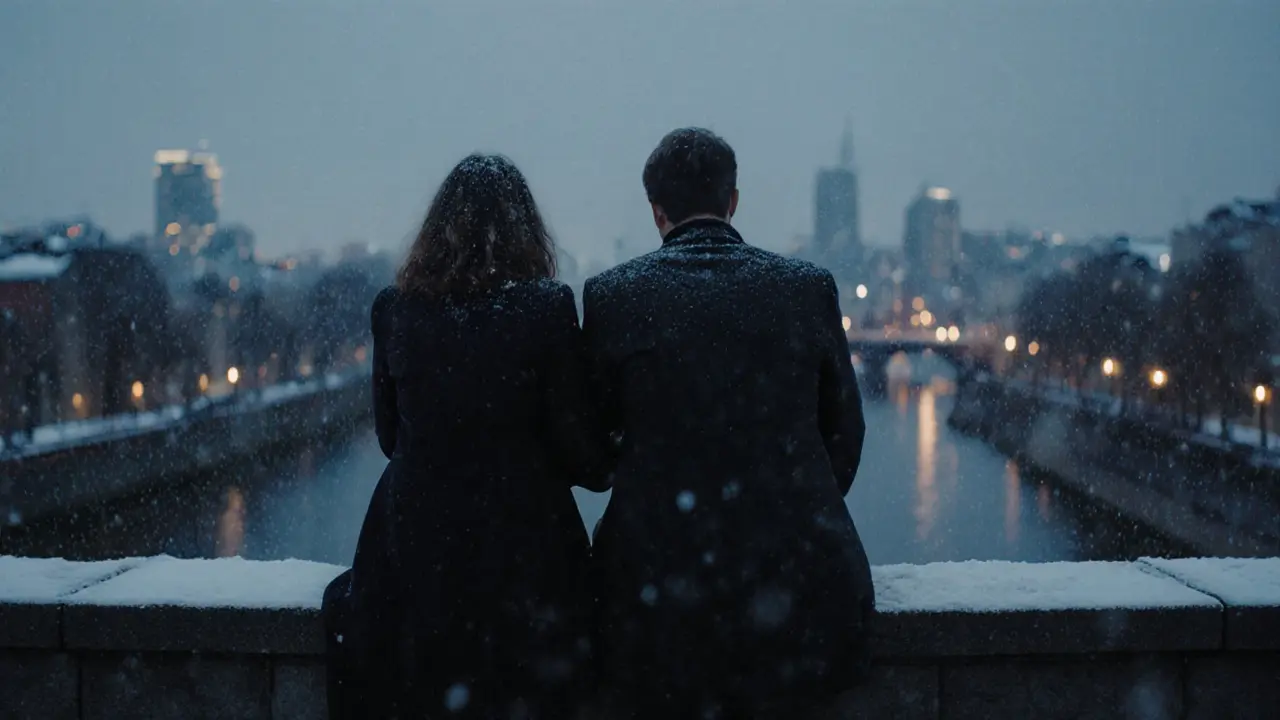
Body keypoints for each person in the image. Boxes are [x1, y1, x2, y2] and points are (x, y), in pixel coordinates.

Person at [583, 128, 875, 718]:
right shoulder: (805, 289)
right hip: (798, 595)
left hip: (657, 601)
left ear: (656, 211)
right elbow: (844, 435)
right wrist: (789, 504)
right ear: (733, 201)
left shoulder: (614, 298)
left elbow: (591, 451)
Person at [322, 153, 610, 719]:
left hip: (414, 554)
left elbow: (389, 438)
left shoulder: (396, 310)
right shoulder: (545, 309)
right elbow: (585, 456)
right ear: (526, 231)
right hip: (525, 555)